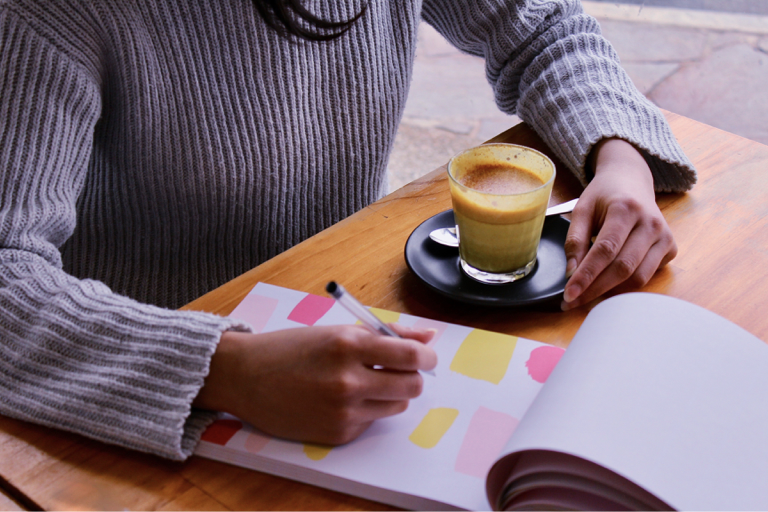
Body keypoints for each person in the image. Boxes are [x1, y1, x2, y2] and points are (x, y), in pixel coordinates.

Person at [0, 0, 696, 460]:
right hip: (144, 404)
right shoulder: (50, 14)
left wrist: (619, 155)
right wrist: (224, 368)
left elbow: (541, 26)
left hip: (353, 330)